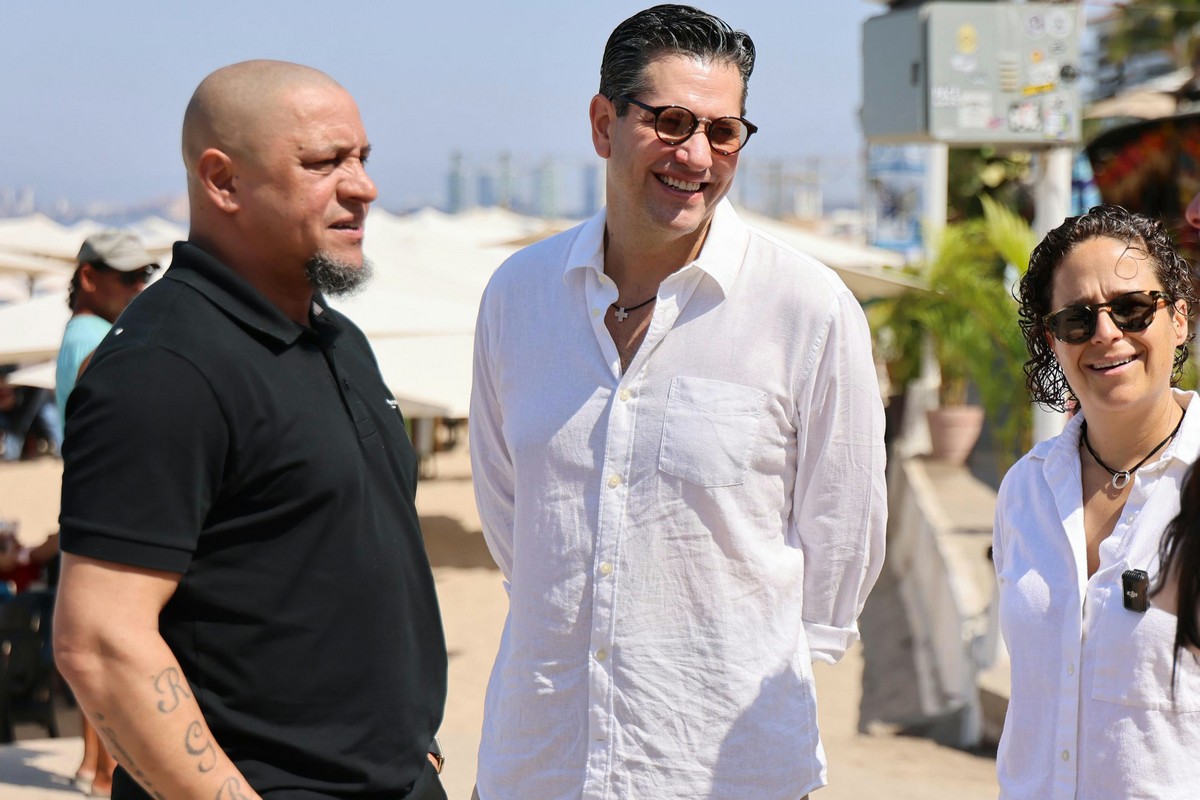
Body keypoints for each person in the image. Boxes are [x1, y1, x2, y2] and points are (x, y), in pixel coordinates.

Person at [468, 6, 886, 799]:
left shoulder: (808, 308)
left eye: (723, 132)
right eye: (670, 122)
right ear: (604, 124)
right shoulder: (517, 296)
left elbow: (844, 533)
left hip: (728, 772)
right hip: (538, 762)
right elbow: (514, 524)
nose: (695, 155)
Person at [53, 60, 447, 800]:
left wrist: (413, 753)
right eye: (324, 162)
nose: (363, 187)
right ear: (223, 181)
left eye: (363, 158)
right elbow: (99, 643)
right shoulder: (163, 365)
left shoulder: (338, 339)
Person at [993, 204, 1200, 798]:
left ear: (1178, 319)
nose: (1106, 333)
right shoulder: (1025, 490)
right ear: (1053, 341)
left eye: (1132, 308)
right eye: (1077, 320)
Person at [54, 228, 158, 797]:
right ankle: (104, 768)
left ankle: (96, 764)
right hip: (108, 503)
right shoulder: (97, 337)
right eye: (127, 276)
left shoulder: (80, 333)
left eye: (145, 275)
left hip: (88, 501)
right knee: (112, 648)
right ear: (90, 278)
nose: (139, 286)